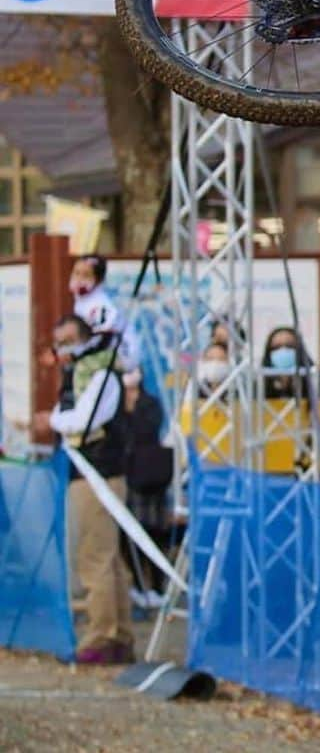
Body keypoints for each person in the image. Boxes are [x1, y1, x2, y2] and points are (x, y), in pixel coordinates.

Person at [36, 314, 135, 664]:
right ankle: (120, 634)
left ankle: (102, 636)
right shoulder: (77, 375)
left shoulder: (101, 372)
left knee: (94, 557)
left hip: (99, 472)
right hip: (86, 472)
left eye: (67, 340)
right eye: (58, 341)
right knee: (108, 557)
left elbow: (84, 419)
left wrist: (52, 421)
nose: (62, 349)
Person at [120, 369, 174, 610]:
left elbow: (148, 430)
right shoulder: (114, 402)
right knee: (127, 535)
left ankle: (156, 586)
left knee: (155, 532)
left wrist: (133, 410)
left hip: (149, 474)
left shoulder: (150, 403)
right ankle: (138, 586)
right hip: (125, 474)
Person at [69, 254, 141, 373]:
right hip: (106, 353)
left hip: (121, 354)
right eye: (76, 273)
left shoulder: (100, 303)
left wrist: (74, 356)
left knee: (82, 368)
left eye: (86, 275)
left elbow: (103, 338)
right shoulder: (83, 300)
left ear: (99, 280)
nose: (79, 278)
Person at [260, 325, 320, 398]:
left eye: (290, 346)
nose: (283, 350)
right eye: (276, 347)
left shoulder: (315, 380)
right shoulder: (260, 384)